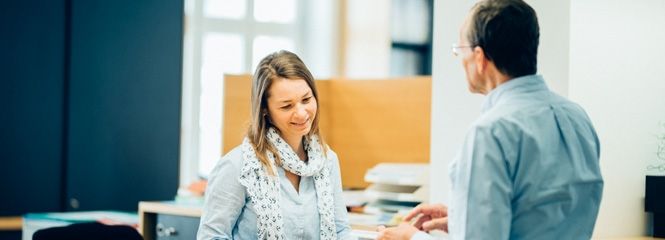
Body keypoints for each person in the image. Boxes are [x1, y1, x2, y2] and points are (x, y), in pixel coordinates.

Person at [378, 0, 603, 239]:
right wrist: (463, 220)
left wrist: (410, 237)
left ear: (479, 58)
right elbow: (544, 217)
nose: (459, 59)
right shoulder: (578, 118)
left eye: (459, 50)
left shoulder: (491, 132)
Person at [197, 50, 354, 239]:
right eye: (287, 106)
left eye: (306, 99)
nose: (302, 113)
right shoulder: (238, 166)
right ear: (265, 110)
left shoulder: (326, 161)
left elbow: (340, 230)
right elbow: (211, 236)